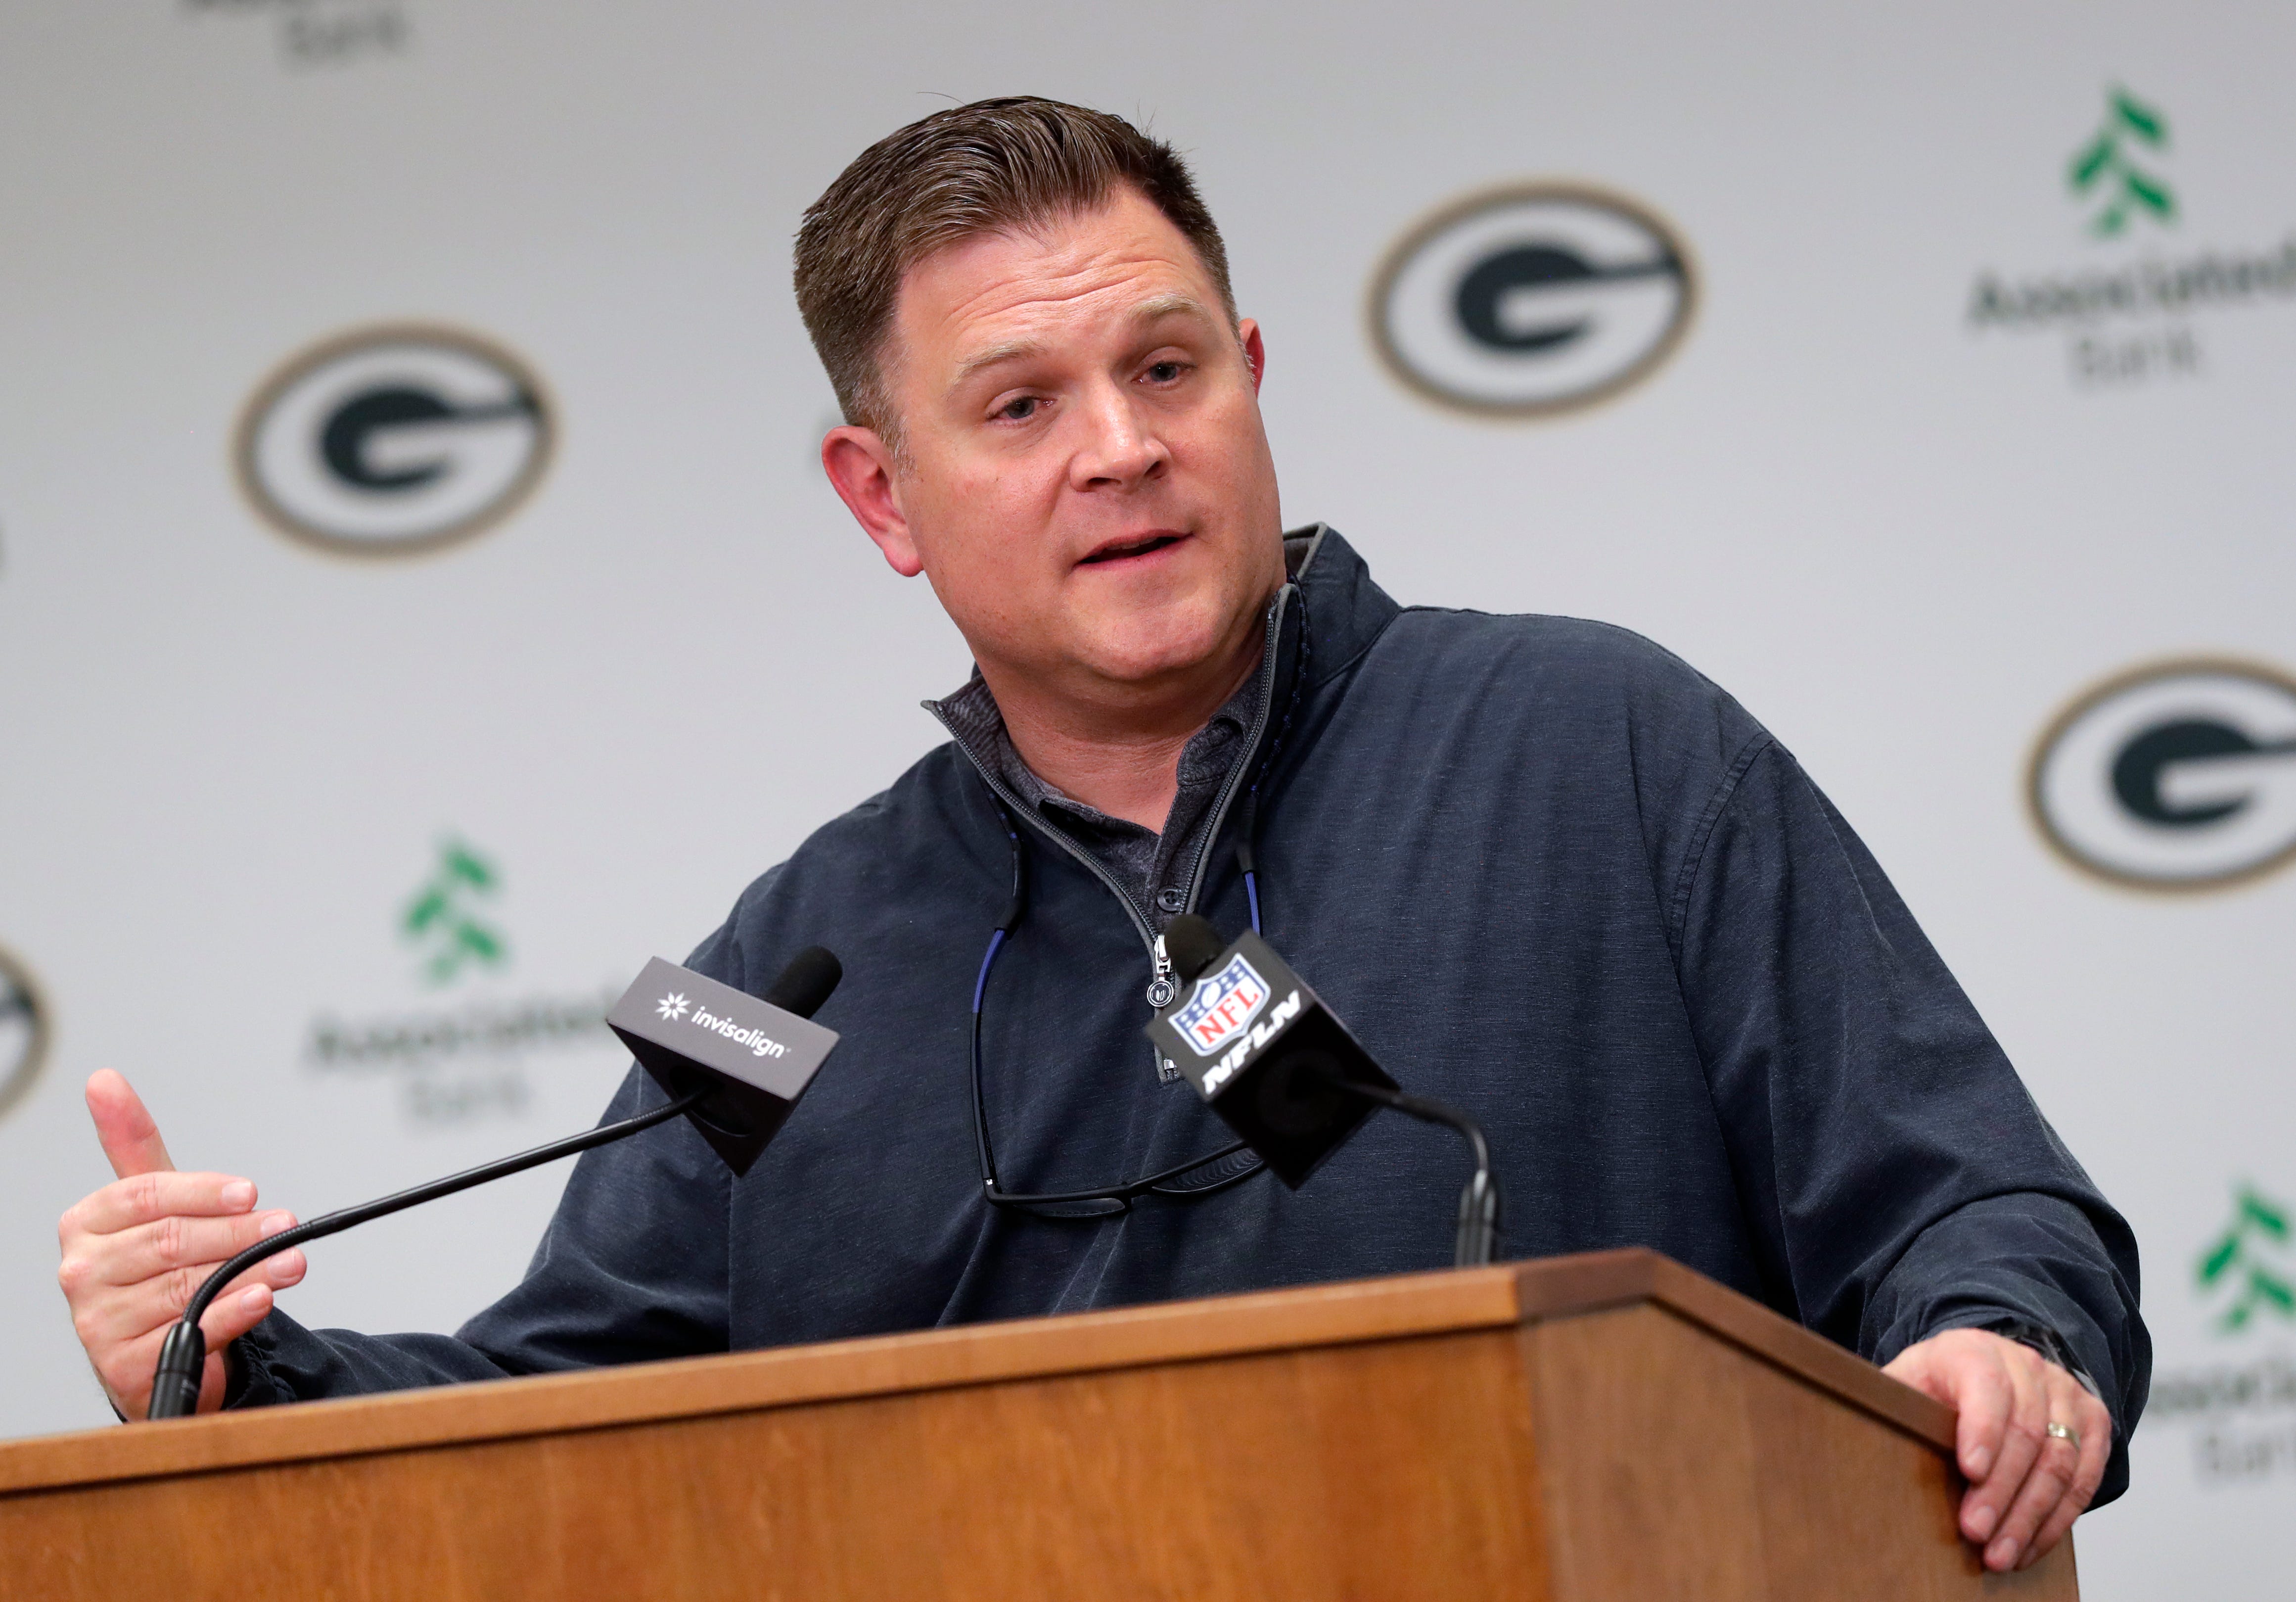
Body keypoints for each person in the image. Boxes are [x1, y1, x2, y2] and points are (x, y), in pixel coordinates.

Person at [57, 97, 2144, 1573]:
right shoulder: (779, 962)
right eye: (1022, 404)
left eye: (1165, 369)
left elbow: (1984, 1213)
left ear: (1249, 381)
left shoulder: (1606, 743)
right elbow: (553, 1404)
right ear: (879, 498)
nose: (1123, 449)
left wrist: (2001, 1346)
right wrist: (242, 1371)